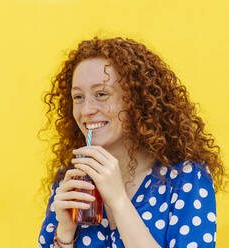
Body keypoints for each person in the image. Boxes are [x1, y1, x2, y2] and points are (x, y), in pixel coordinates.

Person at [37, 37, 227, 248]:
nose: (86, 110)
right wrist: (65, 233)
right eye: (78, 97)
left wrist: (119, 202)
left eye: (101, 94)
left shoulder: (185, 179)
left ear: (136, 101)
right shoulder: (72, 182)